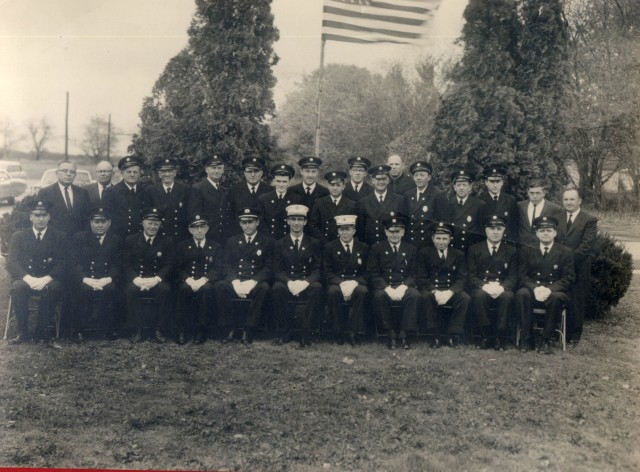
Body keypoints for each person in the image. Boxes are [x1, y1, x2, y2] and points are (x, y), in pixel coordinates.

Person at [6, 200, 67, 343]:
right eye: (37, 215)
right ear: (30, 217)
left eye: (44, 215)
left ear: (49, 217)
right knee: (18, 287)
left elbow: (62, 262)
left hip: (48, 278)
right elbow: (12, 262)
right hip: (26, 278)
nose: (40, 219)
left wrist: (46, 278)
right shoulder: (19, 236)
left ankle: (41, 332)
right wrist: (27, 278)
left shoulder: (59, 236)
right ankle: (23, 333)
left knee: (54, 288)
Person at [516, 216, 575, 354]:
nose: (545, 233)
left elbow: (569, 278)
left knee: (555, 298)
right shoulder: (527, 250)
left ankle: (545, 340)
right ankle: (526, 338)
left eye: (549, 230)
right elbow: (522, 275)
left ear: (555, 233)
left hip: (555, 291)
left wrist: (549, 289)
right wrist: (535, 288)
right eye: (542, 231)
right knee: (522, 294)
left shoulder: (565, 252)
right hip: (533, 289)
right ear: (537, 233)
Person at [215, 207, 274, 345]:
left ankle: (248, 329)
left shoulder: (267, 241)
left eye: (250, 222)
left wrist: (253, 282)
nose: (247, 225)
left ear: (257, 223)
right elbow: (226, 264)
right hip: (237, 280)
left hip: (255, 281)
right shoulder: (232, 241)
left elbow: (269, 267)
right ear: (240, 223)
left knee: (264, 288)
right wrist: (235, 282)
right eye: (243, 222)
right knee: (220, 286)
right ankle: (230, 327)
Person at [271, 204, 323, 347]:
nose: (296, 223)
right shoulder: (280, 243)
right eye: (293, 219)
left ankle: (305, 332)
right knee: (277, 288)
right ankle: (285, 331)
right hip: (288, 281)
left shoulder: (314, 243)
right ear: (287, 221)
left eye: (300, 219)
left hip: (305, 281)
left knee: (317, 288)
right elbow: (277, 270)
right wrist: (288, 282)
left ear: (305, 222)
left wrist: (306, 282)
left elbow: (318, 269)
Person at [367, 214, 420, 350]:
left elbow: (414, 273)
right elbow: (373, 273)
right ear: (385, 232)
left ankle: (405, 333)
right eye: (391, 231)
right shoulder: (377, 248)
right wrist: (386, 288)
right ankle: (390, 333)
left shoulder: (411, 249)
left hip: (403, 285)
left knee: (414, 295)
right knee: (379, 296)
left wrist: (404, 286)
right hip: (385, 286)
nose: (394, 235)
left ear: (403, 232)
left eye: (398, 231)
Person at [69, 206, 123, 340]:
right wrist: (85, 279)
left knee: (113, 290)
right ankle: (79, 329)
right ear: (90, 222)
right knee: (79, 291)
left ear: (109, 223)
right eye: (96, 222)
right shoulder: (79, 238)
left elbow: (118, 264)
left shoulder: (116, 240)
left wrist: (108, 279)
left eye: (103, 222)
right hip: (87, 278)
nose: (100, 225)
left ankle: (109, 329)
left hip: (106, 279)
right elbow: (74, 263)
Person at [123, 208, 175, 342]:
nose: (153, 227)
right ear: (143, 223)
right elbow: (126, 264)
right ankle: (135, 330)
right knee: (130, 290)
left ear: (160, 225)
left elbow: (168, 264)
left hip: (155, 278)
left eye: (156, 224)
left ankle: (159, 329)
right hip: (137, 279)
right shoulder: (131, 240)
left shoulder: (166, 241)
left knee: (165, 290)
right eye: (150, 223)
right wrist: (136, 279)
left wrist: (156, 279)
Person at [466, 215, 518, 350]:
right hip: (482, 286)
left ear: (504, 231)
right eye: (492, 228)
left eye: (499, 229)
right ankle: (485, 334)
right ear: (486, 231)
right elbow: (471, 275)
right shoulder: (474, 249)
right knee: (478, 296)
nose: (495, 232)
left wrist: (502, 287)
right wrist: (484, 286)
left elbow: (513, 276)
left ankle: (500, 337)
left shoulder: (511, 251)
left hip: (502, 287)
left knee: (508, 297)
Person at [418, 222, 470, 348]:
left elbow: (462, 278)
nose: (441, 242)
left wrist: (450, 291)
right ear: (432, 238)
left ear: (450, 239)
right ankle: (434, 335)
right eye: (438, 238)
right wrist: (434, 291)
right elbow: (421, 277)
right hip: (431, 289)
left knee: (465, 298)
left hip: (450, 289)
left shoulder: (458, 254)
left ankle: (453, 334)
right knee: (426, 297)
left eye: (444, 238)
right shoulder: (424, 253)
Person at [555, 188, 598, 344]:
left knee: (576, 302)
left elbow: (586, 246)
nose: (569, 202)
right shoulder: (556, 218)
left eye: (572, 199)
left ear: (579, 201)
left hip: (579, 268)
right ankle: (557, 331)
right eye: (566, 199)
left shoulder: (589, 220)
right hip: (558, 268)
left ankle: (574, 336)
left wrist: (567, 261)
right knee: (557, 298)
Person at [322, 214, 369, 346]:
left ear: (354, 231)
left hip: (356, 282)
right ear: (338, 231)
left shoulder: (363, 247)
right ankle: (338, 332)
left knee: (363, 292)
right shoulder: (330, 247)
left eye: (348, 229)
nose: (345, 232)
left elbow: (367, 272)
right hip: (337, 282)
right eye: (342, 229)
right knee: (332, 292)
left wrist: (355, 282)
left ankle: (355, 332)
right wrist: (341, 283)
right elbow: (327, 271)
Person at [175, 215, 222, 344]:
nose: (199, 231)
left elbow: (217, 269)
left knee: (206, 291)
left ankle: (201, 330)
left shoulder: (215, 246)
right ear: (190, 230)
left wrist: (204, 280)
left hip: (205, 281)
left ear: (207, 229)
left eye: (202, 227)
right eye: (196, 228)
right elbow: (178, 268)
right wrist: (188, 280)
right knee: (183, 290)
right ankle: (182, 330)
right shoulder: (182, 246)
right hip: (188, 280)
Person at [435, 170, 486, 253]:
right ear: (454, 187)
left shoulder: (479, 205)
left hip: (471, 249)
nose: (461, 188)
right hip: (453, 250)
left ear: (470, 187)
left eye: (464, 185)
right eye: (458, 185)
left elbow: (482, 232)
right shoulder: (448, 204)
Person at [36, 160, 91, 237]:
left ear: (75, 174)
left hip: (78, 242)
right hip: (54, 240)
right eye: (65, 171)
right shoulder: (45, 193)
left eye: (72, 172)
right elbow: (40, 218)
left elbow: (87, 219)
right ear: (57, 173)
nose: (68, 174)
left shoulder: (82, 193)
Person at [143, 157, 192, 242]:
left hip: (181, 238)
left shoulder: (185, 189)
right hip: (159, 238)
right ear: (159, 174)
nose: (167, 174)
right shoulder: (150, 191)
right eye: (163, 172)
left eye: (170, 171)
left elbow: (190, 215)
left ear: (175, 173)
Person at [356, 164, 403, 246]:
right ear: (372, 181)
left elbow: (403, 226)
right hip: (371, 247)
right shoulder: (363, 202)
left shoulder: (399, 200)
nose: (381, 182)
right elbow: (361, 230)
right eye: (378, 179)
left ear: (388, 180)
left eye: (384, 179)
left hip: (391, 246)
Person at [102, 156, 148, 238]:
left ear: (139, 174)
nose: (132, 175)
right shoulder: (110, 192)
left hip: (138, 240)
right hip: (117, 239)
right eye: (129, 172)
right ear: (122, 173)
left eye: (135, 172)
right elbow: (106, 218)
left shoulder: (145, 192)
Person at [401, 161, 443, 249]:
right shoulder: (408, 195)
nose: (419, 178)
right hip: (410, 242)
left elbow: (442, 221)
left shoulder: (437, 195)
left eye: (422, 175)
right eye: (416, 175)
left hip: (428, 243)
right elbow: (404, 219)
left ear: (429, 177)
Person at [190, 154, 230, 245]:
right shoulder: (197, 189)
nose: (216, 171)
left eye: (219, 168)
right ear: (206, 169)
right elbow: (194, 217)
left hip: (223, 238)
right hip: (206, 238)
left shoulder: (222, 189)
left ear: (223, 170)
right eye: (213, 168)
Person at [308, 170, 356, 244]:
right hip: (323, 243)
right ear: (328, 186)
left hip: (342, 243)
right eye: (332, 185)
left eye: (338, 185)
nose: (335, 188)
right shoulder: (319, 203)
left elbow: (354, 227)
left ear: (343, 186)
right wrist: (323, 241)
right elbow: (313, 225)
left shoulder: (351, 205)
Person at [258, 164, 301, 240]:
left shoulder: (296, 199)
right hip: (269, 240)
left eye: (284, 181)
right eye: (278, 181)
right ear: (274, 181)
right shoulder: (264, 199)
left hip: (288, 241)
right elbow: (261, 223)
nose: (281, 185)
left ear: (289, 182)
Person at [516, 178, 562, 248]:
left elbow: (558, 231)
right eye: (532, 193)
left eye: (538, 193)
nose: (534, 196)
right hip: (522, 247)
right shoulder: (520, 206)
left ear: (543, 193)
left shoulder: (554, 209)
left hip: (542, 248)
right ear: (528, 193)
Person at [478, 166, 518, 242]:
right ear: (486, 182)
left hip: (506, 243)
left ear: (502, 182)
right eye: (492, 181)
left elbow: (514, 225)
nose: (495, 185)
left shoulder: (510, 200)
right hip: (486, 243)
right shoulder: (479, 200)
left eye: (498, 181)